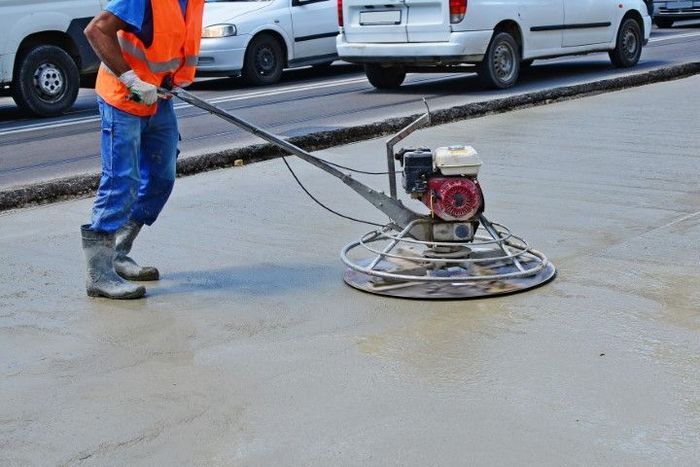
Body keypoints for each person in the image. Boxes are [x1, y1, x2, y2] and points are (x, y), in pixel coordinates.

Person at [82, 0, 204, 299]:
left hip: (158, 98)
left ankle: (118, 253)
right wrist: (130, 78)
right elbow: (97, 31)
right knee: (122, 179)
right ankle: (99, 274)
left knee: (162, 177)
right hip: (123, 97)